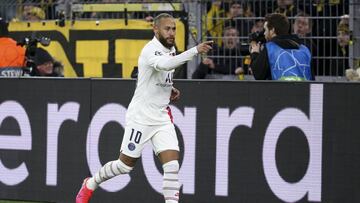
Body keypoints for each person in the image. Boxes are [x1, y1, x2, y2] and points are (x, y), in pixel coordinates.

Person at [76, 13, 212, 203]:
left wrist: (169, 87)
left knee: (172, 166)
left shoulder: (171, 48)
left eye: (174, 28)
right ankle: (90, 183)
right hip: (141, 117)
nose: (172, 32)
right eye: (167, 28)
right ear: (155, 30)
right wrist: (195, 50)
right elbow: (165, 65)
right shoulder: (151, 50)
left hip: (162, 116)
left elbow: (154, 75)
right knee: (125, 166)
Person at [250, 13, 313, 81]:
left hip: (280, 91)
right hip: (304, 90)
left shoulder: (270, 48)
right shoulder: (305, 49)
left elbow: (258, 75)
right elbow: (312, 78)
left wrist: (255, 54)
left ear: (272, 30)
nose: (264, 33)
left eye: (265, 30)